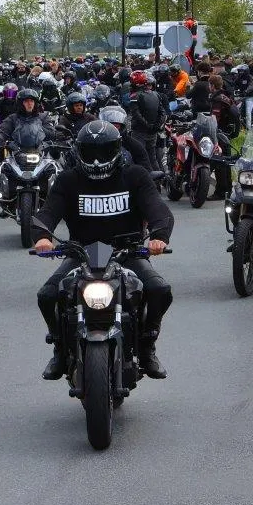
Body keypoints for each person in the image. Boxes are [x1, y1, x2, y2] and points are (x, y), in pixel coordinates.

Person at [32, 121, 174, 380]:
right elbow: (47, 212)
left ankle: (147, 346)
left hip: (126, 253)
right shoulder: (68, 180)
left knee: (159, 290)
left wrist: (159, 237)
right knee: (48, 295)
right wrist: (42, 236)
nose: (97, 160)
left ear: (117, 150)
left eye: (104, 152)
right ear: (79, 152)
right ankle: (60, 349)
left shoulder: (135, 176)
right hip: (81, 253)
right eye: (90, 152)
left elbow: (157, 209)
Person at [127, 71, 167, 170]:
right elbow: (162, 112)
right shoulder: (155, 94)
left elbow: (136, 114)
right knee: (152, 157)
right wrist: (156, 126)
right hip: (153, 132)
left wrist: (148, 125)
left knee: (139, 158)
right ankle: (159, 177)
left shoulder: (135, 96)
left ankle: (143, 177)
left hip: (140, 131)